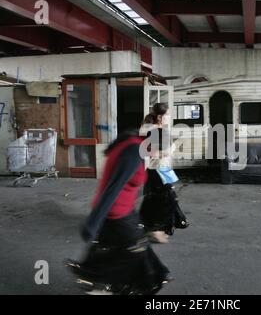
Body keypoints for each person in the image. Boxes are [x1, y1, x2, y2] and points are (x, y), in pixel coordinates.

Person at [66, 128, 172, 295]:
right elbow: (113, 188)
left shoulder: (132, 141)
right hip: (116, 212)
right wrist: (93, 222)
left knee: (113, 248)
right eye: (161, 151)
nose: (162, 155)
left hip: (121, 210)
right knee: (137, 249)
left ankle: (96, 282)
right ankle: (103, 283)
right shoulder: (132, 152)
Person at [139, 103, 189, 244]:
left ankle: (153, 225)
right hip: (158, 168)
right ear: (160, 117)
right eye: (167, 114)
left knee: (156, 197)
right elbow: (150, 151)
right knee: (166, 197)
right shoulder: (156, 130)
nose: (169, 117)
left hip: (159, 168)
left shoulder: (155, 129)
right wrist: (167, 151)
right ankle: (156, 228)